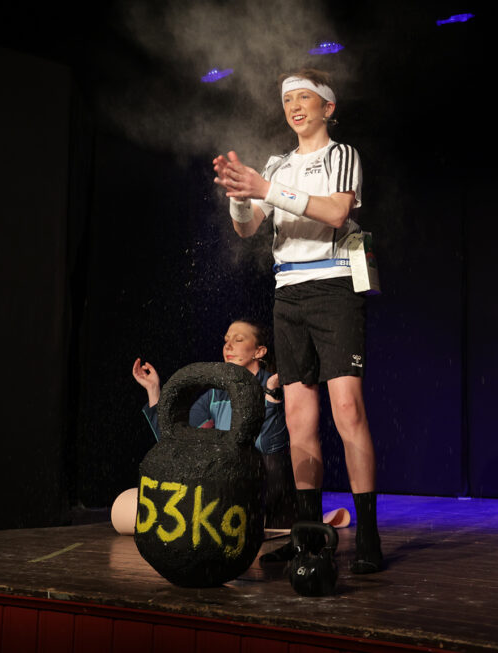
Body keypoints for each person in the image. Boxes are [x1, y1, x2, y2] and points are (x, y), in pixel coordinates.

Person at [211, 68, 383, 573]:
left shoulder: (341, 155)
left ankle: (368, 534)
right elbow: (248, 230)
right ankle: (308, 535)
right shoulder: (277, 164)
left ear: (328, 107)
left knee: (347, 410)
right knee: (297, 419)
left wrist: (265, 188)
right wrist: (240, 198)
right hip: (288, 293)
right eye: (288, 99)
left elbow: (336, 213)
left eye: (305, 97)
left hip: (334, 290)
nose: (294, 106)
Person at [132, 319, 297, 529]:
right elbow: (175, 441)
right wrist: (154, 391)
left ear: (259, 351)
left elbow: (270, 448)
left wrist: (272, 397)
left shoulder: (275, 384)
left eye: (238, 340)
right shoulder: (215, 394)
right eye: (226, 340)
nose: (228, 346)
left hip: (267, 485)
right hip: (230, 483)